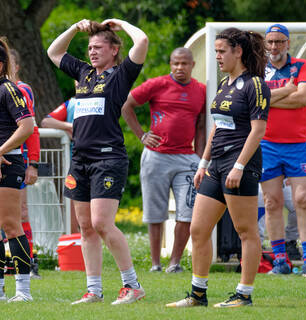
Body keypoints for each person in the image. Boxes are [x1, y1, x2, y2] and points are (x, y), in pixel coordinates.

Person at [166, 27, 270, 308]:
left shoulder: (255, 84)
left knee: (245, 230)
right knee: (198, 230)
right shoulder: (225, 84)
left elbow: (258, 130)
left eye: (222, 51)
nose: (218, 56)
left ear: (239, 51)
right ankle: (197, 295)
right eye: (215, 51)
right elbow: (216, 128)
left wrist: (239, 166)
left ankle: (244, 294)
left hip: (241, 165)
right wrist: (203, 163)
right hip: (216, 166)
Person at [47, 18, 148, 305]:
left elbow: (142, 42)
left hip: (108, 158)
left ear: (114, 50)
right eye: (89, 48)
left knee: (102, 223)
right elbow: (53, 53)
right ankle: (93, 290)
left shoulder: (120, 75)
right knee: (85, 227)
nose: (92, 52)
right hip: (80, 159)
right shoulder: (84, 72)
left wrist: (122, 24)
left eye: (98, 47)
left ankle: (132, 285)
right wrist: (74, 29)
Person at [122, 47, 206, 273]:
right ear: (170, 64)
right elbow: (126, 105)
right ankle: (155, 264)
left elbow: (201, 125)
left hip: (186, 158)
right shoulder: (156, 84)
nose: (180, 68)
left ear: (192, 65)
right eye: (175, 63)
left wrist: (200, 156)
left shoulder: (201, 91)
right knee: (155, 212)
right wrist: (141, 136)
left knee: (187, 212)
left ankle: (175, 262)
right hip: (156, 157)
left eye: (184, 64)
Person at [261, 23, 306, 276]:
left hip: (298, 144)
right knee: (272, 202)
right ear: (265, 44)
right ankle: (281, 262)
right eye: (270, 42)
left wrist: (267, 100)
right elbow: (253, 100)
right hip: (266, 144)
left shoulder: (301, 66)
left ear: (288, 43)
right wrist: (287, 91)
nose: (274, 46)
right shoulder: (258, 69)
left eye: (279, 41)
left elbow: (305, 97)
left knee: (303, 201)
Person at [0, 37, 34, 302]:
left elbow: (27, 126)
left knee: (11, 226)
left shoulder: (9, 89)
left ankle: (23, 291)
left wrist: (0, 151)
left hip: (8, 162)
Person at [10, 48, 42, 278]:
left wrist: (33, 162)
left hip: (14, 159)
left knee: (19, 213)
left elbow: (31, 128)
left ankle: (27, 263)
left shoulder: (21, 89)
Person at [41, 92, 78, 234]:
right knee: (71, 206)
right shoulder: (71, 103)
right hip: (74, 165)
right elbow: (46, 122)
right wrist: (68, 126)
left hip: (98, 162)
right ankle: (75, 246)